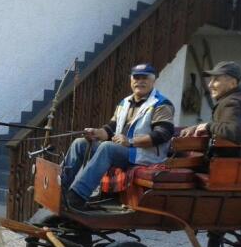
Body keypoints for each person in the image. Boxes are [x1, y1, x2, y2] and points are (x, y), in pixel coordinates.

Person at [63, 63, 175, 210]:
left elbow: (163, 134)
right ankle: (59, 188)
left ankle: (77, 197)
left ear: (153, 81)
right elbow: (110, 129)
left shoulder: (161, 104)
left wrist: (130, 141)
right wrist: (95, 133)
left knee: (108, 147)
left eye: (145, 78)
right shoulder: (125, 102)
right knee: (80, 143)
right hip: (125, 151)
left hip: (146, 155)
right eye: (136, 77)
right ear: (131, 80)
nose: (140, 81)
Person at [179, 61, 241, 144]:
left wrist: (208, 126)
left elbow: (235, 132)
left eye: (216, 80)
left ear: (232, 83)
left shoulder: (231, 103)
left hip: (231, 156)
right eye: (211, 80)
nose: (210, 85)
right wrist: (199, 127)